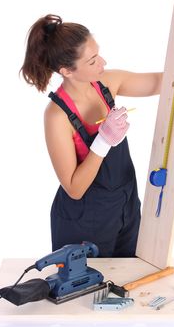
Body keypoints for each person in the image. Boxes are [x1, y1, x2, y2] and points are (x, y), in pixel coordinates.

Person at [20, 14, 162, 257]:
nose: (103, 62)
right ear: (67, 71)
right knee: (86, 292)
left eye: (99, 54)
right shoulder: (57, 116)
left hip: (125, 206)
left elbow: (165, 82)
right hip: (84, 222)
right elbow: (74, 188)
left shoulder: (107, 82)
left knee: (128, 282)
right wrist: (103, 142)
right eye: (93, 60)